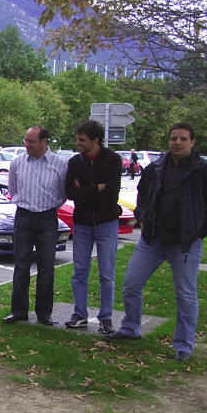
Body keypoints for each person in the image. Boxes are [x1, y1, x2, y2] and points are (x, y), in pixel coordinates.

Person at [106, 122, 207, 361]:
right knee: (131, 284)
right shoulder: (157, 167)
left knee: (185, 295)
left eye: (183, 139)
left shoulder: (203, 170)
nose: (178, 143)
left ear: (192, 142)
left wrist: (199, 231)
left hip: (185, 243)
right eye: (174, 138)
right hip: (152, 240)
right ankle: (131, 329)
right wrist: (142, 217)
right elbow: (143, 195)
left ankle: (184, 346)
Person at [2, 125, 67, 326]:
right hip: (23, 217)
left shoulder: (59, 163)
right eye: (25, 140)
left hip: (47, 217)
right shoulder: (18, 162)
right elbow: (13, 188)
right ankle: (18, 311)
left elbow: (62, 193)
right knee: (21, 265)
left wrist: (49, 207)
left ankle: (44, 313)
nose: (26, 144)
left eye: (30, 141)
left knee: (46, 267)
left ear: (44, 141)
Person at [64, 120, 122, 334]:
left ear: (95, 140)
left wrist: (84, 190)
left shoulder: (113, 160)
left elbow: (111, 193)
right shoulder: (75, 162)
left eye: (82, 140)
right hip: (82, 223)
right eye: (78, 139)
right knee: (80, 271)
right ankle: (80, 313)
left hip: (106, 222)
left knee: (106, 273)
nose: (78, 143)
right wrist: (95, 188)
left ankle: (105, 317)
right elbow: (70, 192)